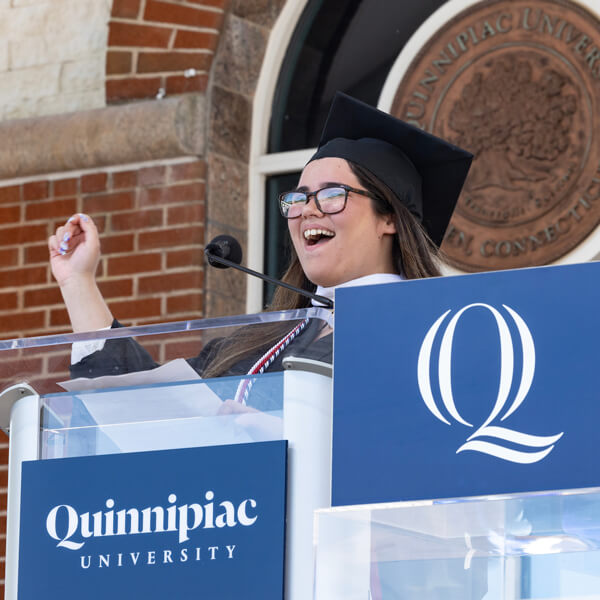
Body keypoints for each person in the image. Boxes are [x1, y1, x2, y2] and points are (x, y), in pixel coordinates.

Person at [48, 93, 472, 391]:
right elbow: (143, 402)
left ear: (390, 218)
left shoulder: (435, 336)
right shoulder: (256, 344)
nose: (307, 209)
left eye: (330, 195)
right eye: (297, 198)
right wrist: (78, 282)